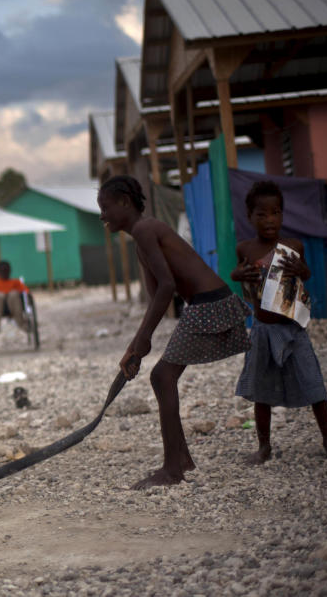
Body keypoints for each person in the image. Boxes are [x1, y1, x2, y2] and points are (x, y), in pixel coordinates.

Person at [97, 176, 250, 489]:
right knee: (161, 376)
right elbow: (156, 297)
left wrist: (144, 339)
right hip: (205, 304)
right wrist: (135, 347)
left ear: (125, 202)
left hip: (210, 304)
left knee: (162, 377)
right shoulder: (141, 240)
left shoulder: (144, 229)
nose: (102, 216)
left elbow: (167, 286)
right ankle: (181, 459)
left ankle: (172, 469)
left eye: (106, 207)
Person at [230, 180, 327, 463]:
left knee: (313, 382)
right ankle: (264, 447)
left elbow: (305, 277)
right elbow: (244, 284)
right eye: (262, 214)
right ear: (249, 217)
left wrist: (302, 269)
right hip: (263, 329)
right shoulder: (245, 249)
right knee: (261, 390)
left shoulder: (293, 246)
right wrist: (237, 276)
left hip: (292, 327)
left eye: (275, 212)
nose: (269, 220)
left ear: (283, 214)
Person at [0, 260, 30, 333]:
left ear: (9, 271)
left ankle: (22, 324)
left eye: (6, 270)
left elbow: (26, 292)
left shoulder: (16, 282)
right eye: (2, 270)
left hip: (14, 305)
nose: (4, 272)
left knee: (13, 294)